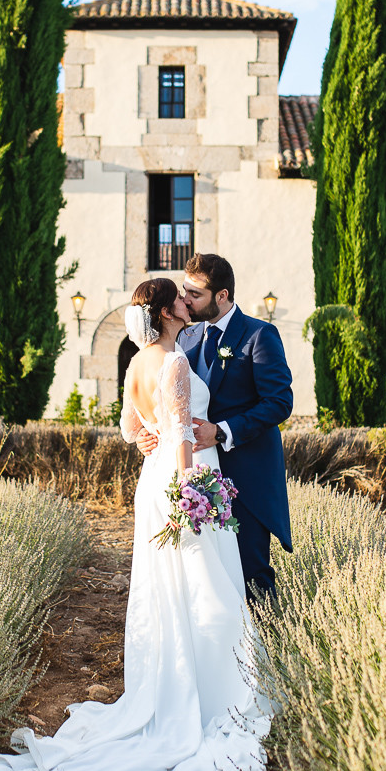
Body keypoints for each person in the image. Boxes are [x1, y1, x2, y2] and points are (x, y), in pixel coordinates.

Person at [0, 277, 271, 771]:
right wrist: (192, 488)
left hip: (153, 482)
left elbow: (129, 426)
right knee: (205, 589)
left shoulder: (135, 362)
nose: (186, 301)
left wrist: (148, 443)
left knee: (171, 588)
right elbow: (178, 433)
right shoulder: (174, 362)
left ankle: (176, 684)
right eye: (178, 297)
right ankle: (216, 696)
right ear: (164, 310)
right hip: (185, 480)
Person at [134, 254, 294, 600]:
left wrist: (221, 431)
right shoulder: (184, 339)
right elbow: (165, 397)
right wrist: (145, 434)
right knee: (204, 580)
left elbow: (280, 402)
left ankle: (265, 650)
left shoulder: (259, 334)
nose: (185, 300)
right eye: (184, 292)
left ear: (221, 296)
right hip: (197, 481)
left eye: (195, 294)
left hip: (244, 477)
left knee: (251, 575)